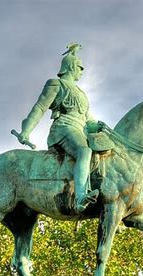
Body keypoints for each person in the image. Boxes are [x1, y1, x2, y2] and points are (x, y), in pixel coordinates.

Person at [18, 43, 99, 213]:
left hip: (80, 130)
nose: (82, 72)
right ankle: (80, 196)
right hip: (63, 128)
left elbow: (88, 119)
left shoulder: (82, 93)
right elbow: (39, 107)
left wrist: (102, 128)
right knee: (84, 152)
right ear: (71, 66)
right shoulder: (56, 84)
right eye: (80, 67)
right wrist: (26, 131)